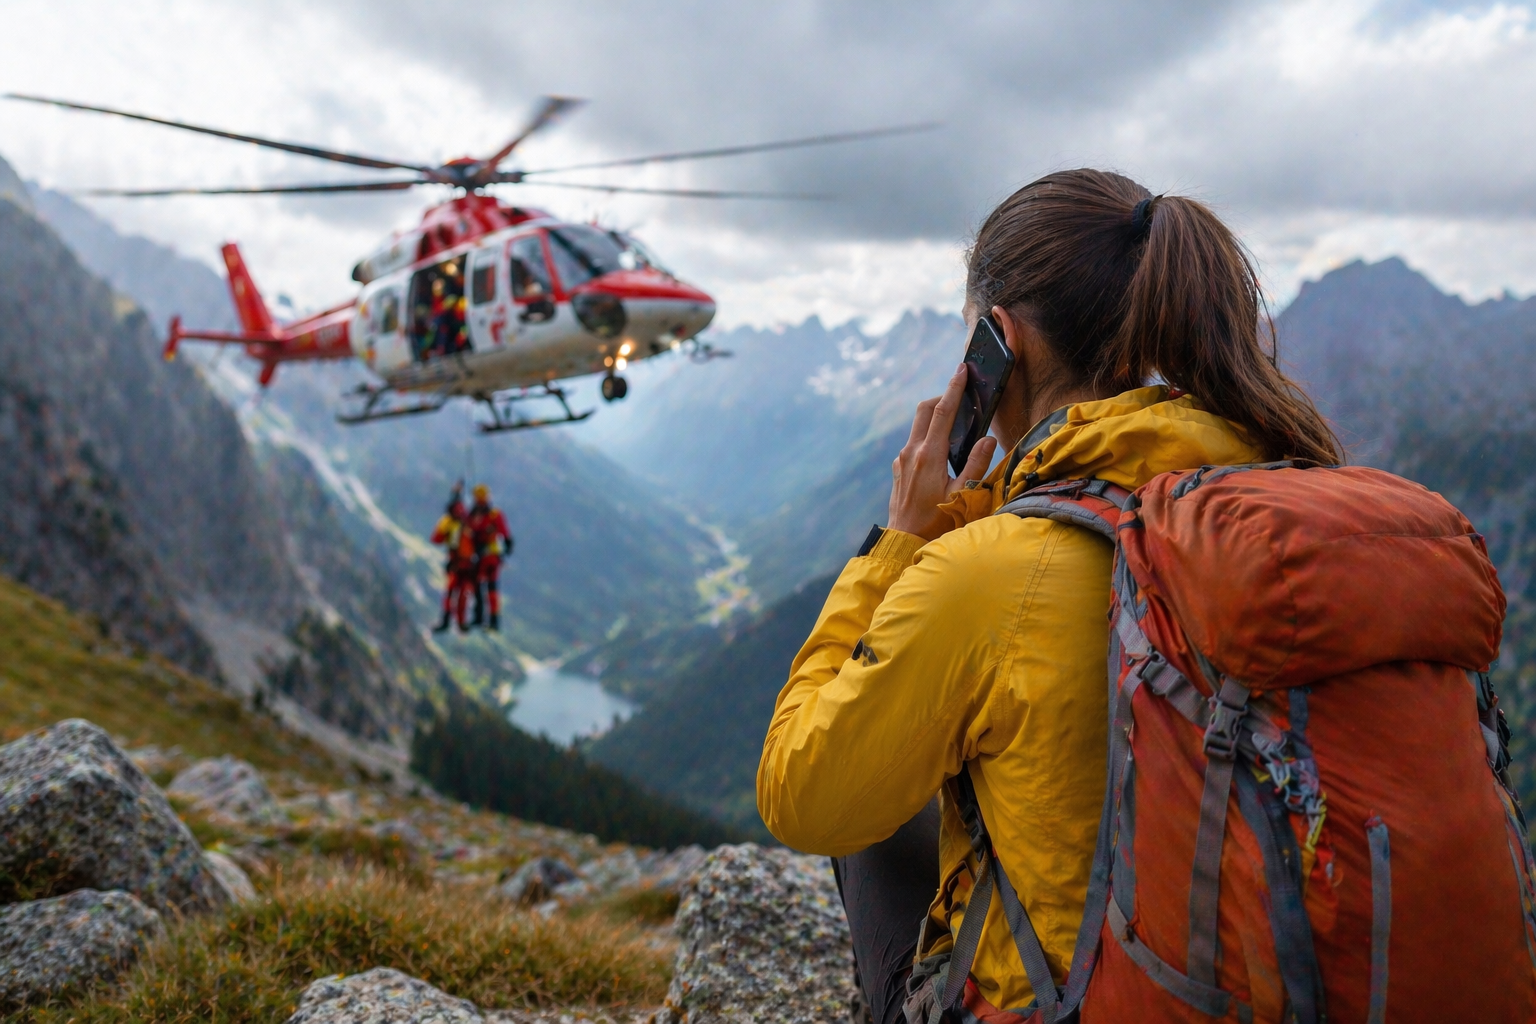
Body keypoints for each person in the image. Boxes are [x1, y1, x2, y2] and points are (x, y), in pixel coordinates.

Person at [757, 170, 1343, 1024]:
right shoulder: (1275, 487)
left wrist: (899, 548)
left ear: (999, 343)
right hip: (1293, 982)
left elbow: (798, 794)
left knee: (870, 806)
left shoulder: (987, 575)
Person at [430, 483, 477, 633]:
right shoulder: (455, 522)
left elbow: (437, 539)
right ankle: (454, 622)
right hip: (460, 564)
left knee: (459, 595)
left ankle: (455, 622)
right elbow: (437, 538)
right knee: (455, 594)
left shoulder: (464, 522)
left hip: (464, 565)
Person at [466, 483, 513, 631]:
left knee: (486, 589)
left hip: (488, 558)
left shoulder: (482, 516)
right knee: (484, 589)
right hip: (485, 558)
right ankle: (487, 620)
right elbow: (506, 537)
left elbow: (506, 537)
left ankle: (487, 620)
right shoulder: (477, 515)